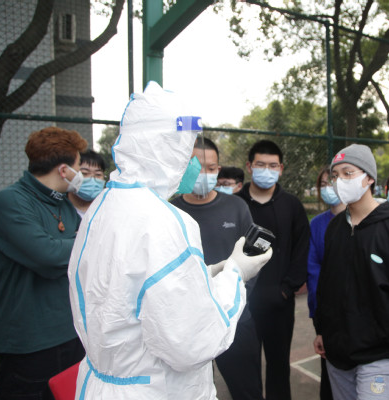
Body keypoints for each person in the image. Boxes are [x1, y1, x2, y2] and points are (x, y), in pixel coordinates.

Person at [67, 82, 272, 400]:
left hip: (103, 383)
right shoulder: (163, 220)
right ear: (166, 149)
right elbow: (192, 341)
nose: (193, 164)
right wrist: (235, 273)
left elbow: (130, 292)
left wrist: (205, 275)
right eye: (188, 152)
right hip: (154, 389)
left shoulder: (103, 207)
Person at [314, 144, 389, 400]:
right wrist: (322, 329)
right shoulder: (335, 228)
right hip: (338, 355)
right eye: (335, 175)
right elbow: (327, 285)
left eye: (348, 173)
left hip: (380, 356)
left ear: (369, 178)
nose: (340, 181)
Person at [0, 126, 88, 399]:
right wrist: (86, 240)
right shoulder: (10, 202)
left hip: (71, 334)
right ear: (64, 170)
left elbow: (78, 254)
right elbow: (49, 257)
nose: (81, 175)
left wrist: (76, 243)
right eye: (79, 167)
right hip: (29, 344)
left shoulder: (64, 204)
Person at [170, 137, 263, 400]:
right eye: (196, 167)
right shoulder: (170, 211)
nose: (204, 174)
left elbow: (252, 259)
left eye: (211, 168)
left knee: (247, 390)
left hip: (235, 319)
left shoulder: (237, 207)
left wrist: (233, 300)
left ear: (218, 169)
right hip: (189, 325)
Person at [236, 139, 311, 400]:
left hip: (279, 302)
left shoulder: (292, 205)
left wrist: (287, 289)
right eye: (260, 165)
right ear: (249, 166)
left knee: (279, 367)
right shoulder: (235, 204)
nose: (266, 170)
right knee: (245, 369)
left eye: (272, 165)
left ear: (281, 169)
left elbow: (302, 249)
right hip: (242, 303)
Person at [307, 166, 345, 400]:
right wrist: (318, 314)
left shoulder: (362, 220)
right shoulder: (317, 224)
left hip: (358, 313)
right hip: (326, 313)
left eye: (332, 182)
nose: (328, 188)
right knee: (330, 374)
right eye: (323, 184)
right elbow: (313, 271)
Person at [67, 149, 106, 217]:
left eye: (98, 174)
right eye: (84, 173)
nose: (92, 179)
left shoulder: (109, 208)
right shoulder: (58, 208)